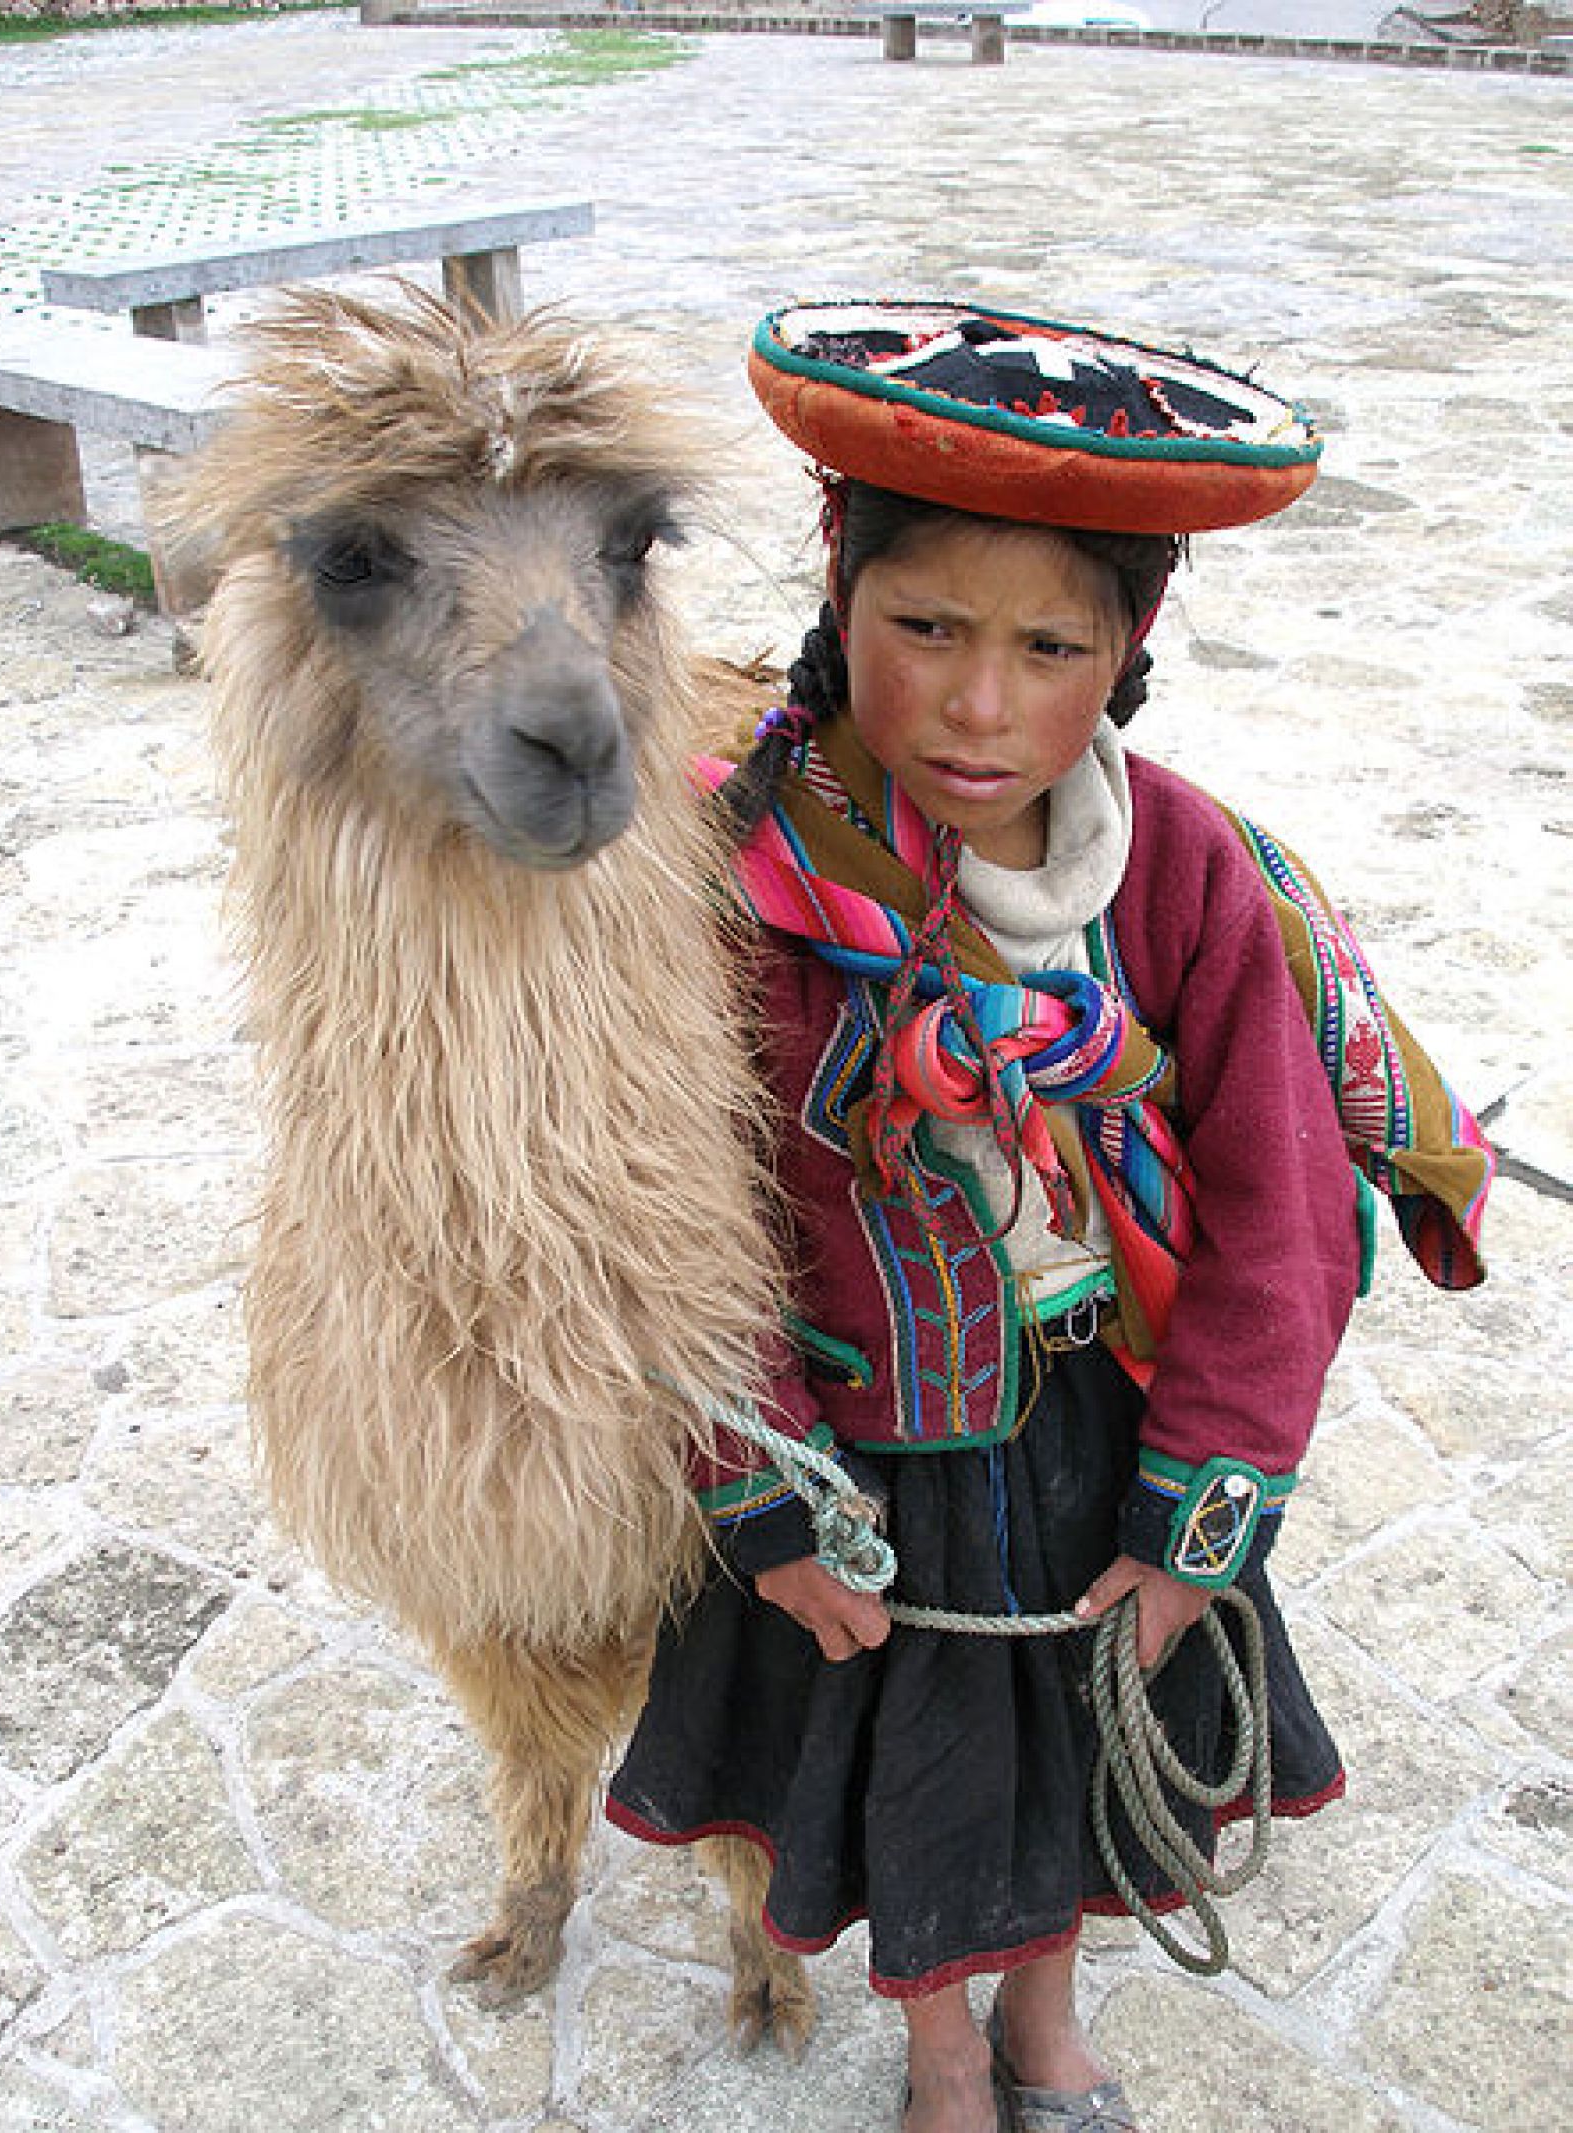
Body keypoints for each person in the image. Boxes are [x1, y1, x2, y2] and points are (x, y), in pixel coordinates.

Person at [606, 303, 1493, 2133]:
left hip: (1112, 1428)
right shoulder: (725, 879)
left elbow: (1280, 1209)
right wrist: (754, 1480)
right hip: (863, 1451)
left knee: (1082, 1744)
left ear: (1128, 655)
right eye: (924, 628)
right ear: (837, 599)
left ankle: (1046, 2022)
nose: (980, 702)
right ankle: (943, 2056)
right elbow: (657, 1208)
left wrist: (1203, 1510)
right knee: (924, 1771)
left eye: (1050, 646)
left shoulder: (1187, 871)